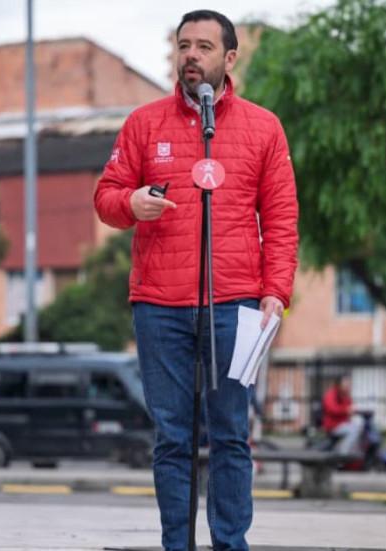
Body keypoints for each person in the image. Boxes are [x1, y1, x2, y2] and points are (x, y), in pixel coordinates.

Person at [93, 9, 298, 551]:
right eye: (183, 45)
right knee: (172, 439)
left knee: (231, 435)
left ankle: (231, 543)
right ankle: (176, 544)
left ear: (229, 58)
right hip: (160, 306)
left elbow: (280, 220)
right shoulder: (143, 123)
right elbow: (106, 198)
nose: (191, 56)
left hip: (237, 306)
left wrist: (276, 291)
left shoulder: (263, 127)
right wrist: (131, 203)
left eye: (204, 46)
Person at [321, 374, 363, 456]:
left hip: (343, 424)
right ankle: (342, 455)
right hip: (333, 426)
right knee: (354, 429)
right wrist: (346, 410)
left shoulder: (346, 396)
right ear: (339, 384)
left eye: (349, 383)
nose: (348, 385)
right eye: (346, 383)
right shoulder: (331, 394)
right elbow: (332, 409)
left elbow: (349, 409)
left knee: (360, 427)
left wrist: (353, 411)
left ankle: (353, 452)